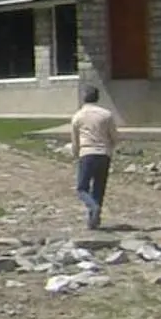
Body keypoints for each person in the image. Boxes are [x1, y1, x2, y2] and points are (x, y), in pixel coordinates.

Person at [70, 83, 119, 230]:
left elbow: (75, 140)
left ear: (84, 98)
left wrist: (75, 154)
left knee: (82, 188)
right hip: (104, 154)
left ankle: (93, 207)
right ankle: (94, 221)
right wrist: (110, 148)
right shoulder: (106, 114)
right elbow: (114, 136)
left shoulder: (78, 116)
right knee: (99, 187)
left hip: (87, 153)